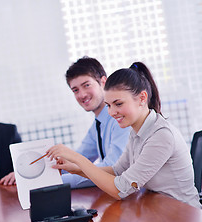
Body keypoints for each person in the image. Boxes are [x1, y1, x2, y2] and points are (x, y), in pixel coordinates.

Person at [47, 62, 201, 208]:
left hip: (183, 218)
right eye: (108, 105)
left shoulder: (161, 136)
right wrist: (77, 168)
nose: (112, 112)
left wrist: (78, 159)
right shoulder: (137, 132)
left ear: (142, 98)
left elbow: (120, 189)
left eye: (118, 104)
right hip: (159, 211)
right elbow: (117, 170)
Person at [61, 57, 130, 188]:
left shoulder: (120, 119)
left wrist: (55, 183)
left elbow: (112, 169)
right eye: (75, 90)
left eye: (86, 85)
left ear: (103, 82)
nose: (82, 95)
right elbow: (78, 159)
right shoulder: (98, 125)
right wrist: (38, 174)